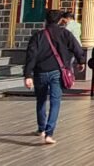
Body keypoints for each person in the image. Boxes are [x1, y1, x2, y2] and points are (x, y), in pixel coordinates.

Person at [23, 9, 85, 145]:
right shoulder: (65, 34)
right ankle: (49, 133)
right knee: (55, 101)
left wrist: (28, 75)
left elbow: (31, 56)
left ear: (46, 20)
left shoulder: (38, 36)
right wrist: (81, 61)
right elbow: (77, 48)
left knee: (40, 100)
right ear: (59, 20)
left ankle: (41, 129)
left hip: (40, 72)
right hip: (57, 72)